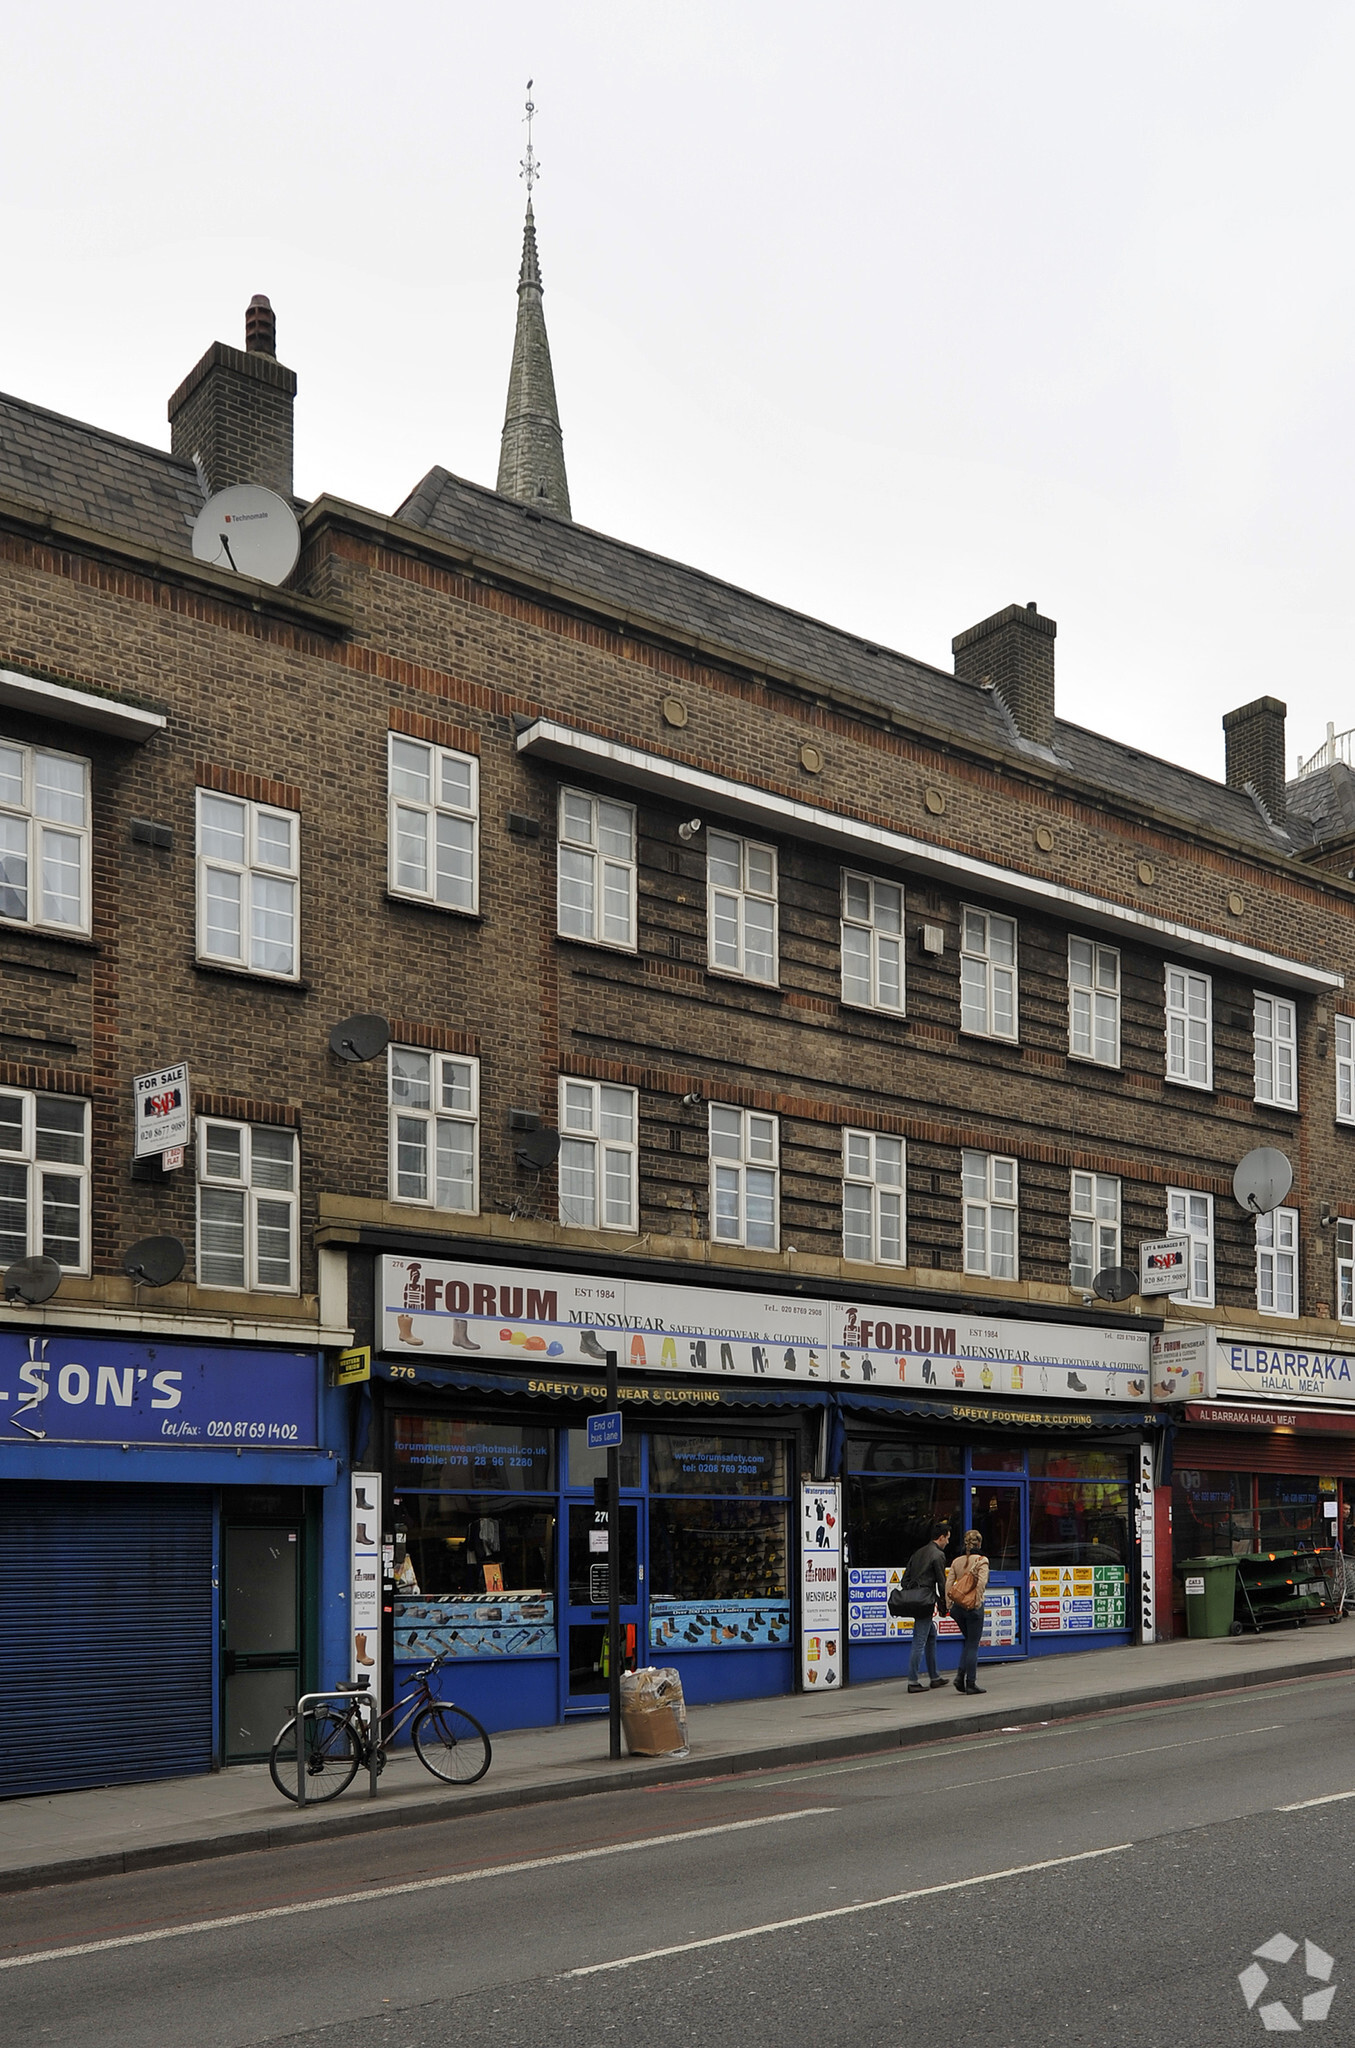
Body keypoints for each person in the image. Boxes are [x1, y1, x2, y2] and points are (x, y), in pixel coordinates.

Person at [903, 1521, 952, 1692]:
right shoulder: (937, 1555)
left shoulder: (918, 1553)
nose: (948, 1542)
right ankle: (913, 1681)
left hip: (916, 1600)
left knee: (931, 1635)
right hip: (925, 1602)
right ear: (941, 1537)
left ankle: (935, 1677)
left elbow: (905, 1580)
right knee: (919, 1640)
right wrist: (945, 1604)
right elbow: (941, 1581)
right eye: (947, 1538)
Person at [946, 1529, 990, 1695]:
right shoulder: (981, 1561)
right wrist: (977, 1602)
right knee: (972, 1644)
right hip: (973, 1608)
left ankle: (959, 1677)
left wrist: (950, 1603)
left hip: (958, 1608)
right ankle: (970, 1682)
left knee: (969, 1641)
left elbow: (949, 1584)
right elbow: (981, 1583)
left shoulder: (957, 1561)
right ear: (979, 1543)